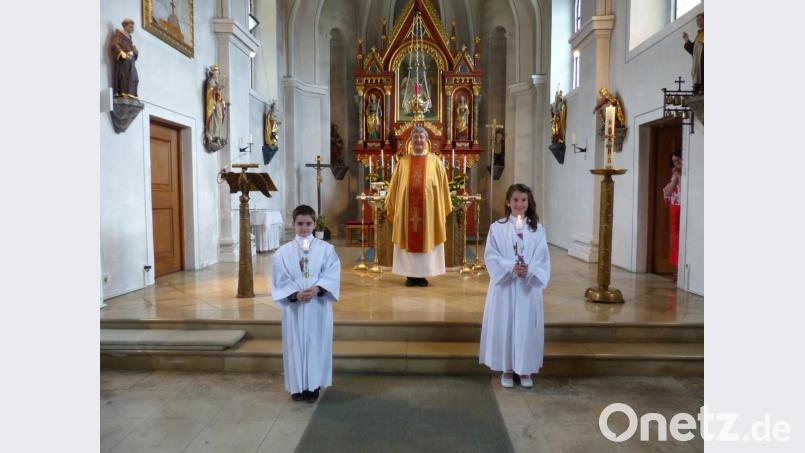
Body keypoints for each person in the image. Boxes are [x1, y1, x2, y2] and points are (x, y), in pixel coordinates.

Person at [479, 184, 551, 388]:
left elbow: (542, 258)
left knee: (526, 327)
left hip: (527, 288)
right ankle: (508, 368)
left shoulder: (537, 230)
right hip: (505, 286)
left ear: (529, 203)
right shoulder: (497, 228)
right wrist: (511, 266)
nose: (520, 204)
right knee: (506, 324)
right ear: (508, 202)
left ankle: (525, 368)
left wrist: (529, 270)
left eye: (524, 200)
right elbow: (491, 256)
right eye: (516, 200)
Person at [271, 205, 341, 402]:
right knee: (295, 345)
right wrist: (294, 294)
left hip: (317, 306)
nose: (304, 228)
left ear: (314, 224)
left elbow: (332, 273)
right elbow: (279, 278)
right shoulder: (282, 253)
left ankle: (313, 386)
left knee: (316, 344)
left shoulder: (326, 249)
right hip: (295, 308)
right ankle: (297, 387)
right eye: (300, 223)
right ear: (293, 224)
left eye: (308, 224)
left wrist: (318, 288)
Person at [384, 125, 452, 287]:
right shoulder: (403, 163)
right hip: (406, 212)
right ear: (411, 140)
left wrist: (440, 208)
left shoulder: (435, 162)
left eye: (421, 137)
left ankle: (423, 275)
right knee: (408, 237)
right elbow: (394, 188)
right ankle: (410, 275)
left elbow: (443, 188)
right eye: (415, 137)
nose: (418, 140)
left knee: (426, 238)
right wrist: (392, 205)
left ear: (426, 140)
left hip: (429, 214)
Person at [662, 151, 682, 279]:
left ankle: (680, 270)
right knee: (675, 239)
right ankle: (677, 268)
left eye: (679, 159)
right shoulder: (675, 175)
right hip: (675, 208)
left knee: (681, 239)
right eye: (674, 161)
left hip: (684, 208)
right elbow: (667, 193)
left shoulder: (688, 174)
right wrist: (675, 178)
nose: (677, 162)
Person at [110, 18, 139, 98]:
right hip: (123, 61)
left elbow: (131, 49)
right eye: (130, 27)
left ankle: (131, 94)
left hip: (131, 62)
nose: (132, 29)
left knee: (135, 78)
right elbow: (114, 45)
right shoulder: (119, 35)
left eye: (133, 27)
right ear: (124, 26)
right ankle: (124, 93)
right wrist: (121, 52)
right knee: (124, 77)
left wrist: (135, 51)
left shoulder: (129, 39)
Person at [204, 65, 227, 151]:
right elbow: (211, 92)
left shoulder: (216, 82)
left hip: (218, 102)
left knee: (219, 117)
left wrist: (220, 87)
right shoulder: (210, 81)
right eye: (216, 74)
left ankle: (217, 135)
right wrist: (218, 88)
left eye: (218, 74)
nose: (217, 75)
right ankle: (213, 135)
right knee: (214, 118)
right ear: (213, 74)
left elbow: (217, 91)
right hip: (213, 103)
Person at [682, 13, 704, 94]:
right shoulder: (699, 35)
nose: (698, 22)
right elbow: (693, 51)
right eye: (697, 21)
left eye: (700, 20)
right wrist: (687, 40)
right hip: (697, 64)